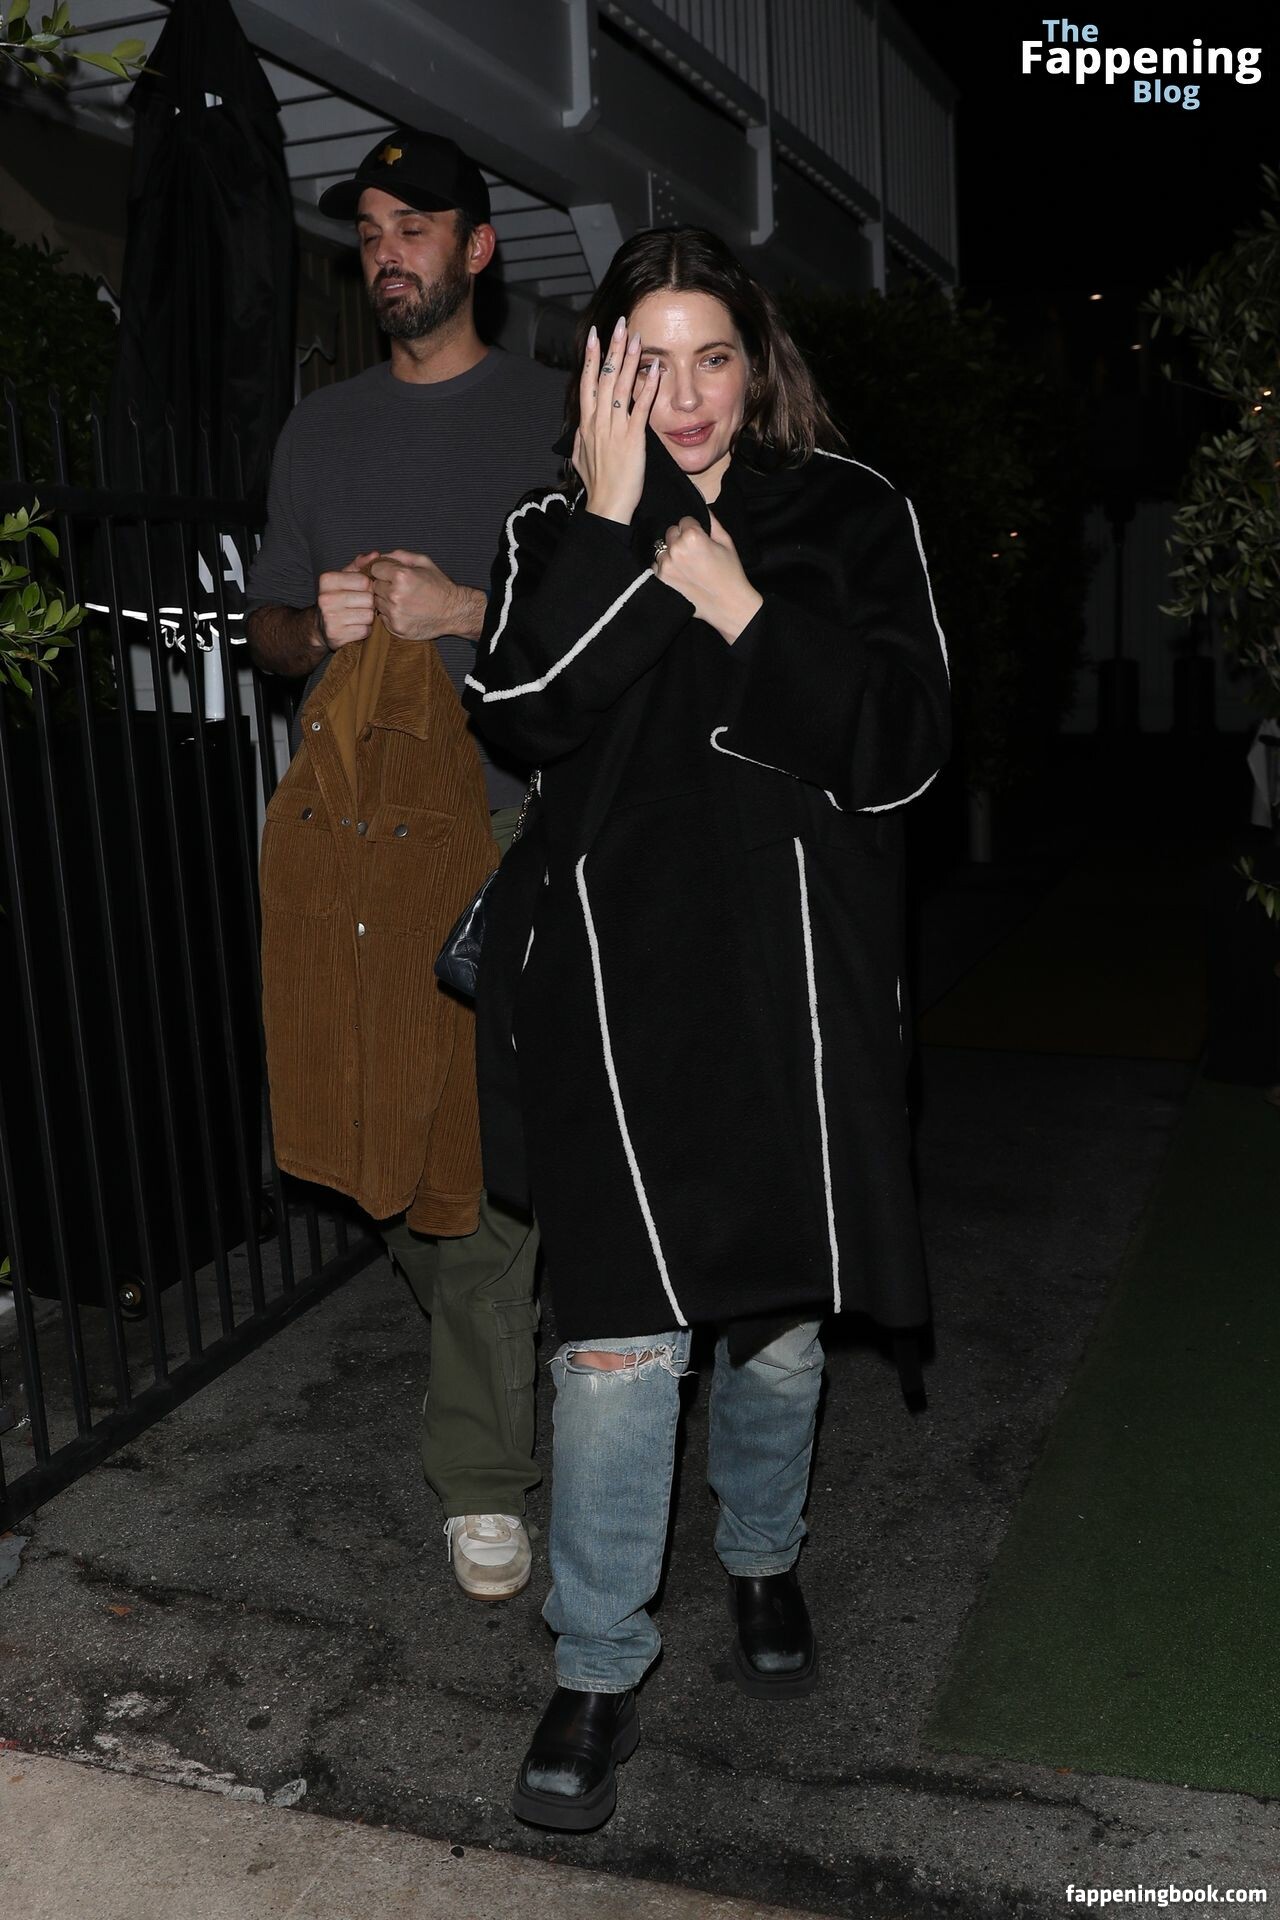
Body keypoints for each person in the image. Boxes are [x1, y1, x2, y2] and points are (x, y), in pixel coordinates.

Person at [463, 226, 950, 1829]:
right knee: (616, 1344)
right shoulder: (552, 529)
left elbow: (900, 750)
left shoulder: (849, 511)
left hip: (792, 992)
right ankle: (597, 1666)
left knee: (781, 1328)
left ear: (759, 364)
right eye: (647, 359)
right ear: (601, 369)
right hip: (617, 997)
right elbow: (522, 713)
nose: (682, 394)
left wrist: (745, 609)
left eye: (713, 356)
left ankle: (759, 1557)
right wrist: (616, 524)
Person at [246, 128, 565, 1602]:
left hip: (502, 830)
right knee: (370, 1143)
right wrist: (313, 627)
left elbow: (621, 624)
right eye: (369, 229)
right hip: (346, 843)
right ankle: (499, 1337)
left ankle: (482, 1478)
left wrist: (466, 610)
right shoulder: (318, 432)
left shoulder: (555, 420)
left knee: (474, 1162)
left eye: (415, 225)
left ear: (478, 248)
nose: (387, 252)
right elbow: (269, 634)